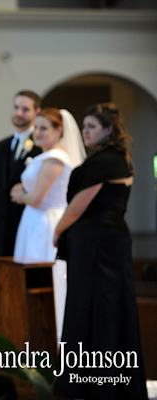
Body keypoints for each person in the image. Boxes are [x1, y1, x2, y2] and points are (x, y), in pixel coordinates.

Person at [52, 103, 148, 400]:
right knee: (104, 307)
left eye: (91, 126)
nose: (85, 131)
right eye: (84, 126)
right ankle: (102, 380)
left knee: (96, 308)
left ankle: (98, 383)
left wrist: (57, 232)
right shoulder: (115, 159)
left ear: (108, 130)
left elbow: (78, 206)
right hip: (105, 242)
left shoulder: (107, 161)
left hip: (98, 244)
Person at [10, 108, 85, 341]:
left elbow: (37, 199)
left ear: (59, 131)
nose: (38, 133)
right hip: (35, 221)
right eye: (37, 128)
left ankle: (52, 336)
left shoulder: (55, 158)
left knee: (47, 279)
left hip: (45, 223)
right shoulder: (46, 156)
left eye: (44, 128)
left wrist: (20, 195)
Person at [0, 90, 42, 259]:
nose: (18, 113)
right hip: (1, 233)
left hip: (29, 229)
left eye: (25, 109)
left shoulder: (41, 147)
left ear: (37, 112)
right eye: (16, 108)